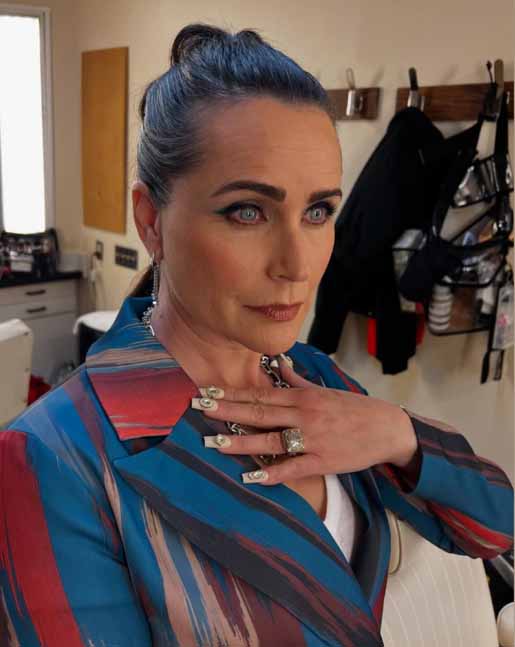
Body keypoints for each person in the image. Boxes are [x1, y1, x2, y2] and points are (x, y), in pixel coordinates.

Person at [0, 23, 513, 647]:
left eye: (318, 212)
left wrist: (398, 434)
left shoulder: (315, 378)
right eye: (248, 211)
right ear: (151, 220)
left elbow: (493, 529)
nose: (297, 265)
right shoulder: (53, 457)